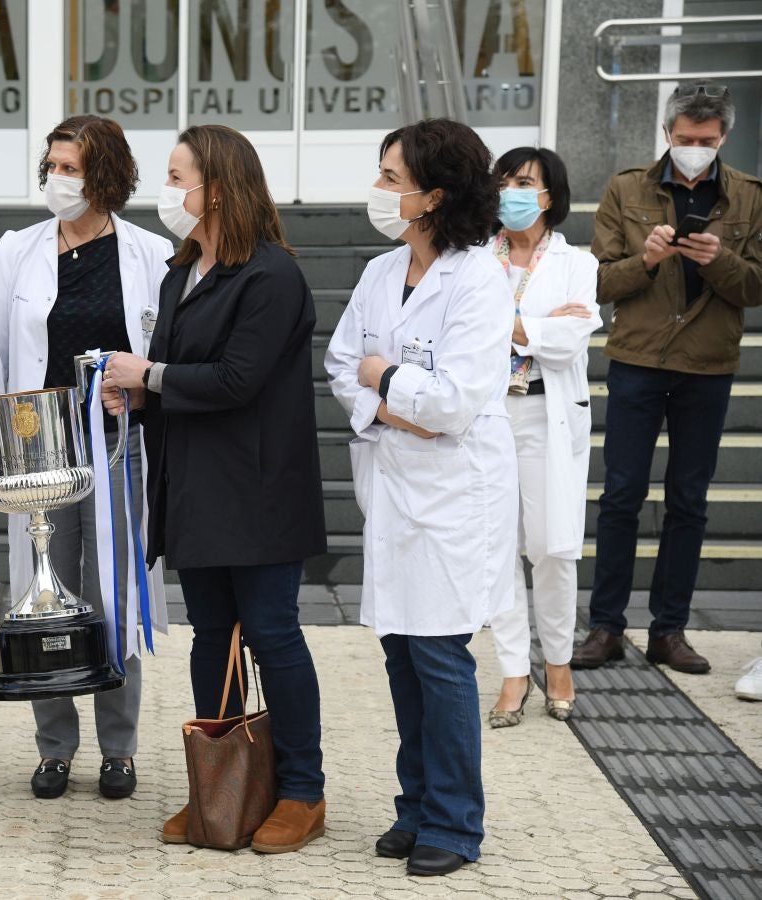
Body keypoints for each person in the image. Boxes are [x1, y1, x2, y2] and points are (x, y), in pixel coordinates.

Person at [102, 124, 328, 855]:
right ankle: (223, 784)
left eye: (178, 176)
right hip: (193, 488)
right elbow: (174, 377)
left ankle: (301, 791)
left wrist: (150, 375)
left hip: (258, 491)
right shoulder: (182, 272)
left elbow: (237, 379)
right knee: (211, 638)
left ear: (220, 188)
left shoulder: (271, 276)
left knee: (271, 635)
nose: (166, 190)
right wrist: (138, 396)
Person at [324, 118, 516, 876]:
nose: (378, 190)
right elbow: (341, 363)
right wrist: (394, 402)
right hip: (395, 486)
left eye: (391, 178)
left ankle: (455, 823)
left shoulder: (479, 279)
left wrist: (385, 381)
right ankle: (415, 807)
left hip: (453, 497)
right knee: (401, 652)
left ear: (434, 195)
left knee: (440, 655)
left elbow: (455, 404)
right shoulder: (381, 272)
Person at [0, 115, 172, 801]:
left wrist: (142, 399)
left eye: (71, 169)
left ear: (106, 176)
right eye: (52, 167)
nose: (57, 179)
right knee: (43, 593)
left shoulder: (150, 254)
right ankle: (54, 747)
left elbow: (164, 356)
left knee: (115, 595)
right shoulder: (16, 250)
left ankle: (119, 748)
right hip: (36, 448)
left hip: (116, 446)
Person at [573, 81, 762, 675]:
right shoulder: (626, 188)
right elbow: (599, 281)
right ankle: (606, 626)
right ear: (666, 133)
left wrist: (719, 259)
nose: (694, 149)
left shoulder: (750, 196)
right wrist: (648, 259)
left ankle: (670, 630)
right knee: (621, 495)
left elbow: (755, 286)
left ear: (723, 137)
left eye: (706, 140)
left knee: (688, 500)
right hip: (638, 359)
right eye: (684, 138)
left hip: (708, 364)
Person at [484, 147, 600, 728]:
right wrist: (538, 326)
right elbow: (462, 333)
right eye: (504, 182)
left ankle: (558, 663)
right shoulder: (476, 258)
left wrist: (506, 326)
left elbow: (572, 340)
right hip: (487, 415)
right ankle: (513, 670)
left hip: (544, 414)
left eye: (524, 182)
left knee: (552, 547)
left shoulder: (577, 263)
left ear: (550, 195)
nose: (512, 192)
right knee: (496, 546)